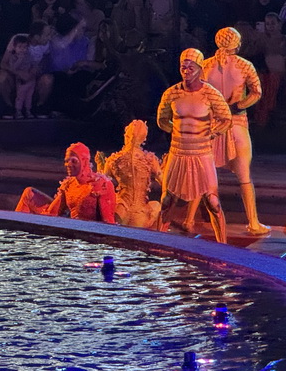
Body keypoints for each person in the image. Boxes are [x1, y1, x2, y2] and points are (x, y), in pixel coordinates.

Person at [156, 47, 232, 243]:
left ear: (199, 68)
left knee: (213, 202)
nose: (187, 70)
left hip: (201, 152)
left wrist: (213, 132)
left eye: (191, 67)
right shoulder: (171, 93)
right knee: (166, 200)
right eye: (184, 67)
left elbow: (225, 118)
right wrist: (176, 130)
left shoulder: (210, 94)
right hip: (178, 151)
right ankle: (157, 243)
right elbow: (162, 118)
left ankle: (223, 245)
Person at [202, 27, 269, 235]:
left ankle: (195, 220)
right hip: (236, 121)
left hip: (212, 124)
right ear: (238, 45)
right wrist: (239, 105)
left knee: (207, 176)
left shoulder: (205, 66)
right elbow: (257, 92)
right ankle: (254, 223)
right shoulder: (244, 65)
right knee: (244, 177)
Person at [15, 142, 117, 222]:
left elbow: (108, 223)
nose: (68, 164)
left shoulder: (101, 185)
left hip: (86, 235)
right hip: (68, 227)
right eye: (66, 161)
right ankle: (16, 234)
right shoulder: (69, 184)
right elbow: (53, 212)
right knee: (29, 193)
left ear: (84, 161)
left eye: (73, 161)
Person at [98, 119, 163, 228]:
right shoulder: (150, 160)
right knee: (157, 206)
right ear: (143, 138)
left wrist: (100, 167)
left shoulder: (113, 159)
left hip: (120, 209)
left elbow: (103, 185)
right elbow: (165, 184)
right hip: (140, 213)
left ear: (126, 136)